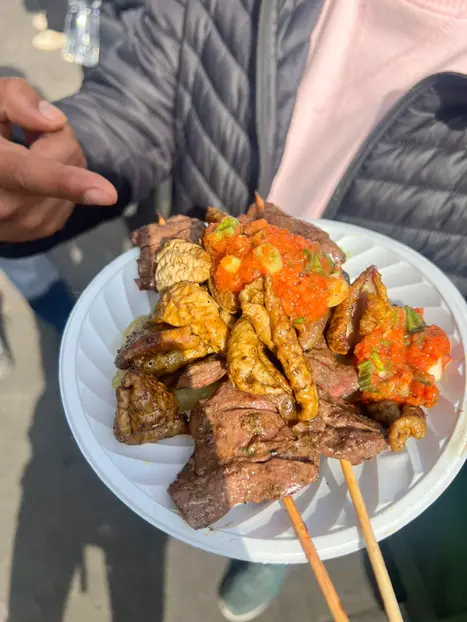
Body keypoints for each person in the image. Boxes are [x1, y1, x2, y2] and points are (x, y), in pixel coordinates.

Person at [1, 0, 467, 619]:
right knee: (266, 468)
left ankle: (267, 557)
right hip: (231, 259)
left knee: (306, 493)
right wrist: (67, 160)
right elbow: (136, 103)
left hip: (340, 353)